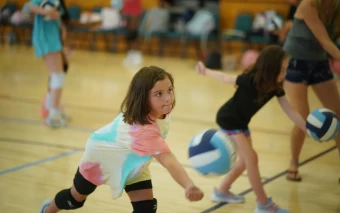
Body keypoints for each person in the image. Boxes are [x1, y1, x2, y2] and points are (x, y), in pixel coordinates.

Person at [39, 66, 204, 213]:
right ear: (143, 99)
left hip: (132, 160)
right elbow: (169, 161)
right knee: (75, 200)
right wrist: (188, 185)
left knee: (145, 209)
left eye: (170, 90)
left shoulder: (158, 109)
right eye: (159, 94)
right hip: (100, 157)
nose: (168, 98)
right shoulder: (145, 131)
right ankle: (48, 209)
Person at [195, 45, 306, 213]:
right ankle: (264, 204)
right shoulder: (251, 79)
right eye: (282, 70)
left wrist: (308, 128)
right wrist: (205, 71)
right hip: (229, 119)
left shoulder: (275, 87)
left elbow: (290, 110)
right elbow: (225, 78)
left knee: (244, 162)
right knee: (251, 158)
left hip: (241, 123)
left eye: (286, 69)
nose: (285, 74)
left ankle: (221, 191)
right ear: (270, 69)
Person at [283, 0, 340, 181]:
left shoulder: (337, 7)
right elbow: (325, 42)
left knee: (337, 114)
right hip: (294, 64)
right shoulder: (308, 5)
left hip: (319, 63)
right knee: (303, 117)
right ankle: (293, 162)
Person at [26, 0, 69, 127]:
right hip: (45, 39)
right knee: (57, 76)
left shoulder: (56, 2)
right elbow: (29, 6)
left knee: (57, 75)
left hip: (54, 39)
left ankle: (50, 108)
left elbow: (58, 17)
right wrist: (45, 11)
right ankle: (53, 115)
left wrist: (61, 27)